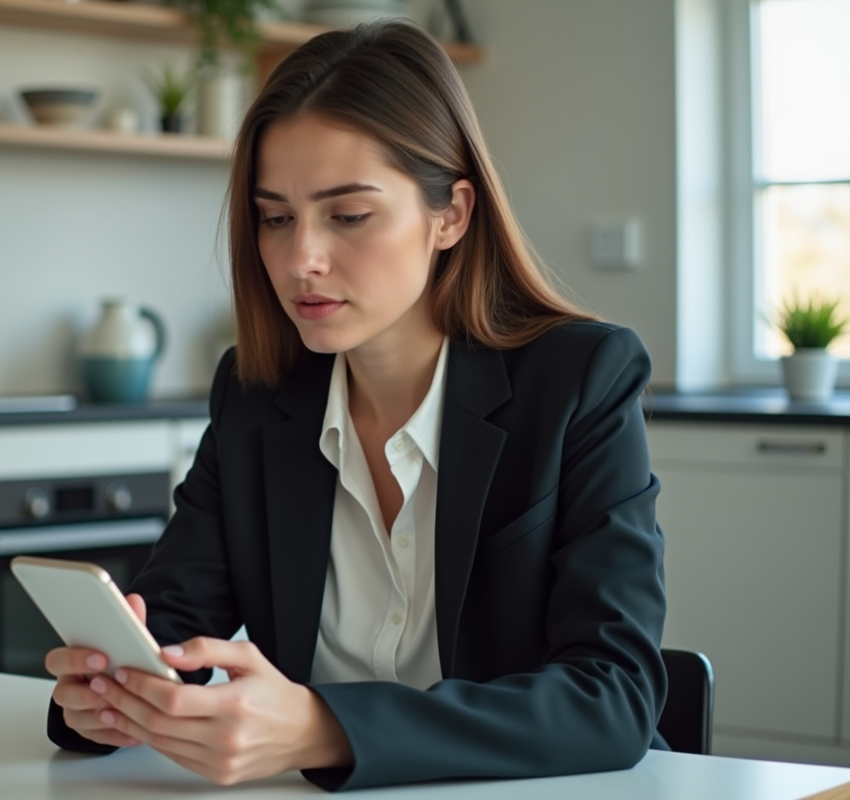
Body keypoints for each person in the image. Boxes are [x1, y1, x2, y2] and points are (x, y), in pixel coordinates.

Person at [45, 20, 666, 792]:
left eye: (348, 215)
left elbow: (613, 698)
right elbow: (169, 627)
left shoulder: (578, 380)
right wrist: (105, 697)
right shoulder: (255, 396)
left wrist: (322, 729)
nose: (301, 257)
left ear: (451, 215)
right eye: (275, 217)